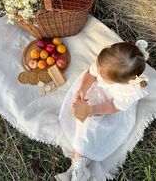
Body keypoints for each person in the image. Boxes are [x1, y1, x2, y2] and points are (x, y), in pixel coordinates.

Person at [55, 40, 150, 181]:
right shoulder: (106, 62)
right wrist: (83, 89)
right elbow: (91, 74)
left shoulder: (128, 90)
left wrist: (93, 110)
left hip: (109, 107)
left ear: (120, 82)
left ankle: (78, 168)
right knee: (82, 124)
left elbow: (113, 106)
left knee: (94, 127)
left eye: (103, 76)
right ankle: (79, 167)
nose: (98, 72)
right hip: (95, 93)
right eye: (99, 69)